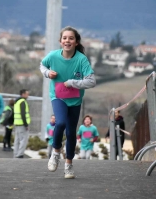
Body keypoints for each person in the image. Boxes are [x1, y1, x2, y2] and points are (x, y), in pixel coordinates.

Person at [40, 26, 96, 179]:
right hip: (57, 96)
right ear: (60, 41)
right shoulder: (53, 56)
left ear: (76, 42)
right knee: (60, 123)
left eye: (71, 38)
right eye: (65, 38)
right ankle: (56, 151)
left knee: (71, 133)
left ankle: (69, 165)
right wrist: (47, 73)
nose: (67, 41)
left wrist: (72, 83)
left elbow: (91, 81)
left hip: (75, 100)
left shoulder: (81, 59)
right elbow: (42, 65)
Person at [13, 89, 30, 158]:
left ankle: (16, 153)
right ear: (23, 94)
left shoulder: (17, 101)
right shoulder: (23, 102)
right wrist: (26, 124)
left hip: (17, 123)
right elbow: (23, 114)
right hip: (22, 123)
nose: (28, 95)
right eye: (27, 94)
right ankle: (20, 154)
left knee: (17, 139)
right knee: (23, 139)